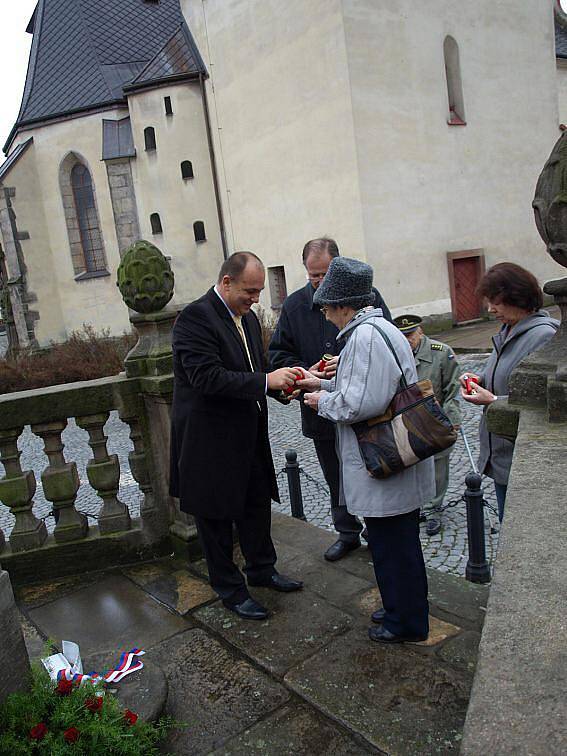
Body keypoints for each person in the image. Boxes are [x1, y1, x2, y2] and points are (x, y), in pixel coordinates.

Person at [297, 257, 434, 643]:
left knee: (394, 547)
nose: (325, 314)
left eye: (327, 306)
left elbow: (363, 403)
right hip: (389, 461)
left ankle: (406, 622)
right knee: (393, 545)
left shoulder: (366, 337)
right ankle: (399, 607)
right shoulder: (377, 330)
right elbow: (364, 386)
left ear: (345, 304)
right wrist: (321, 385)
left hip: (385, 461)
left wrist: (319, 402)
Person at [169, 252, 303, 621]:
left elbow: (254, 371)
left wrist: (284, 384)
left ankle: (262, 569)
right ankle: (229, 589)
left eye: (259, 291)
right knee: (214, 520)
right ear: (226, 282)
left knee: (256, 505)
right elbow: (206, 378)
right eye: (250, 290)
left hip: (247, 435)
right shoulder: (195, 318)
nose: (256, 298)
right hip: (209, 442)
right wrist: (266, 381)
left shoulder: (245, 317)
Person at [269, 237, 392, 561]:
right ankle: (347, 532)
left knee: (371, 471)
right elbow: (278, 354)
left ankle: (377, 532)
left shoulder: (366, 298)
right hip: (319, 411)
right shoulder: (295, 305)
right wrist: (299, 371)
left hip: (366, 412)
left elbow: (386, 340)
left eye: (324, 275)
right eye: (313, 277)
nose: (320, 283)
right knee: (334, 474)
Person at [460, 262, 558, 522]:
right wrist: (478, 379)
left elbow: (545, 400)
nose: (491, 309)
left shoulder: (544, 337)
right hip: (503, 457)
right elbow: (506, 377)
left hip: (524, 459)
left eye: (497, 302)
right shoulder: (507, 331)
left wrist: (492, 400)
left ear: (518, 297)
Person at [393, 315, 462, 536]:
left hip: (436, 420)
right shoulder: (395, 354)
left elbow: (453, 389)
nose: (407, 340)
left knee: (438, 467)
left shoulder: (440, 352)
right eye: (402, 336)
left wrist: (452, 420)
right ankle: (418, 504)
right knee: (413, 463)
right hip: (409, 421)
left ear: (420, 331)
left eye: (410, 335)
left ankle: (434, 510)